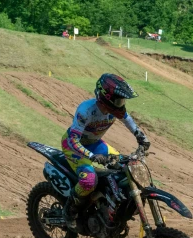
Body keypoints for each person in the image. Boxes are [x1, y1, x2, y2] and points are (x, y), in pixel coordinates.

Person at [61, 73, 150, 224]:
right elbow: (73, 140)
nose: (121, 104)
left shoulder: (115, 109)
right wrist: (91, 156)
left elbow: (129, 121)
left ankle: (112, 205)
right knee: (89, 180)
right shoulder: (86, 110)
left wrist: (142, 138)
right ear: (106, 98)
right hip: (74, 147)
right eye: (119, 100)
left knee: (126, 167)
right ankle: (70, 210)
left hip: (95, 144)